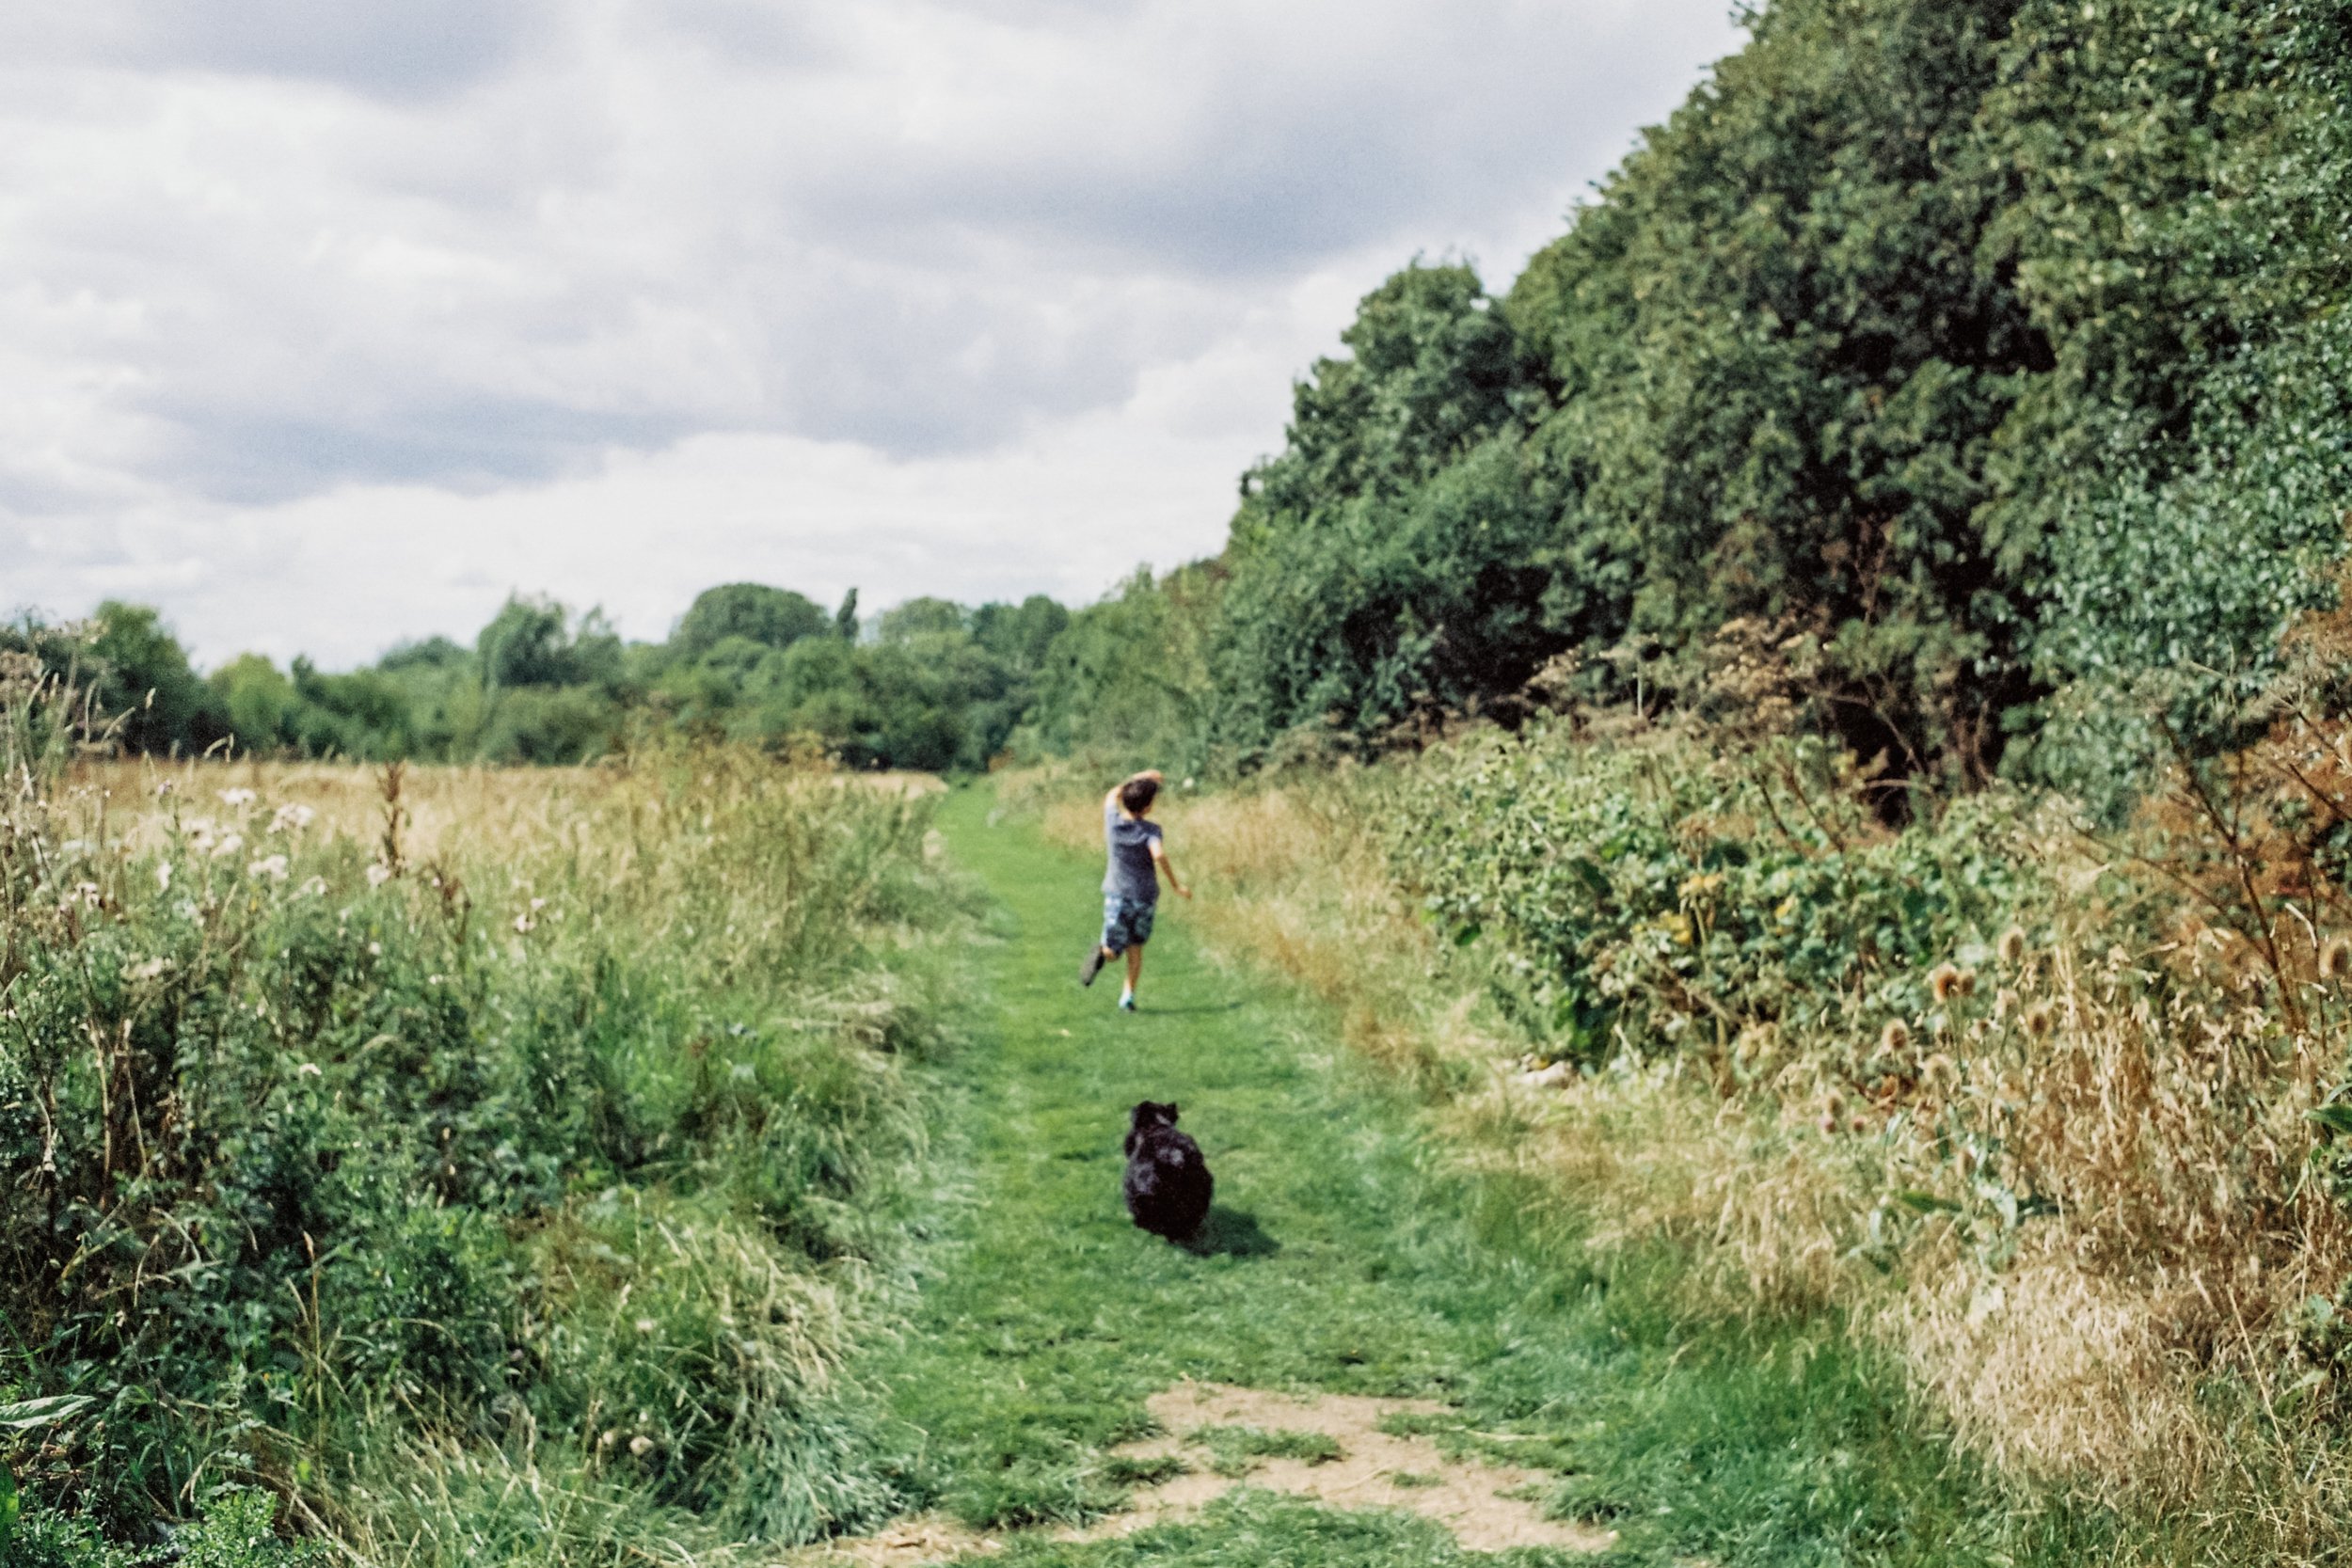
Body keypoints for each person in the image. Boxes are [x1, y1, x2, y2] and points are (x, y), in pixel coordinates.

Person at [1081, 768, 1190, 1009]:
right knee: (1136, 947)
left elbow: (1112, 794)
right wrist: (1175, 885)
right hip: (1144, 898)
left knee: (1113, 950)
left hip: (1117, 895)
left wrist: (1139, 778)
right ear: (1149, 807)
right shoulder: (1151, 831)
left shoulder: (1113, 823)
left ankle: (1102, 951)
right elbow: (1159, 854)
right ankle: (1127, 997)